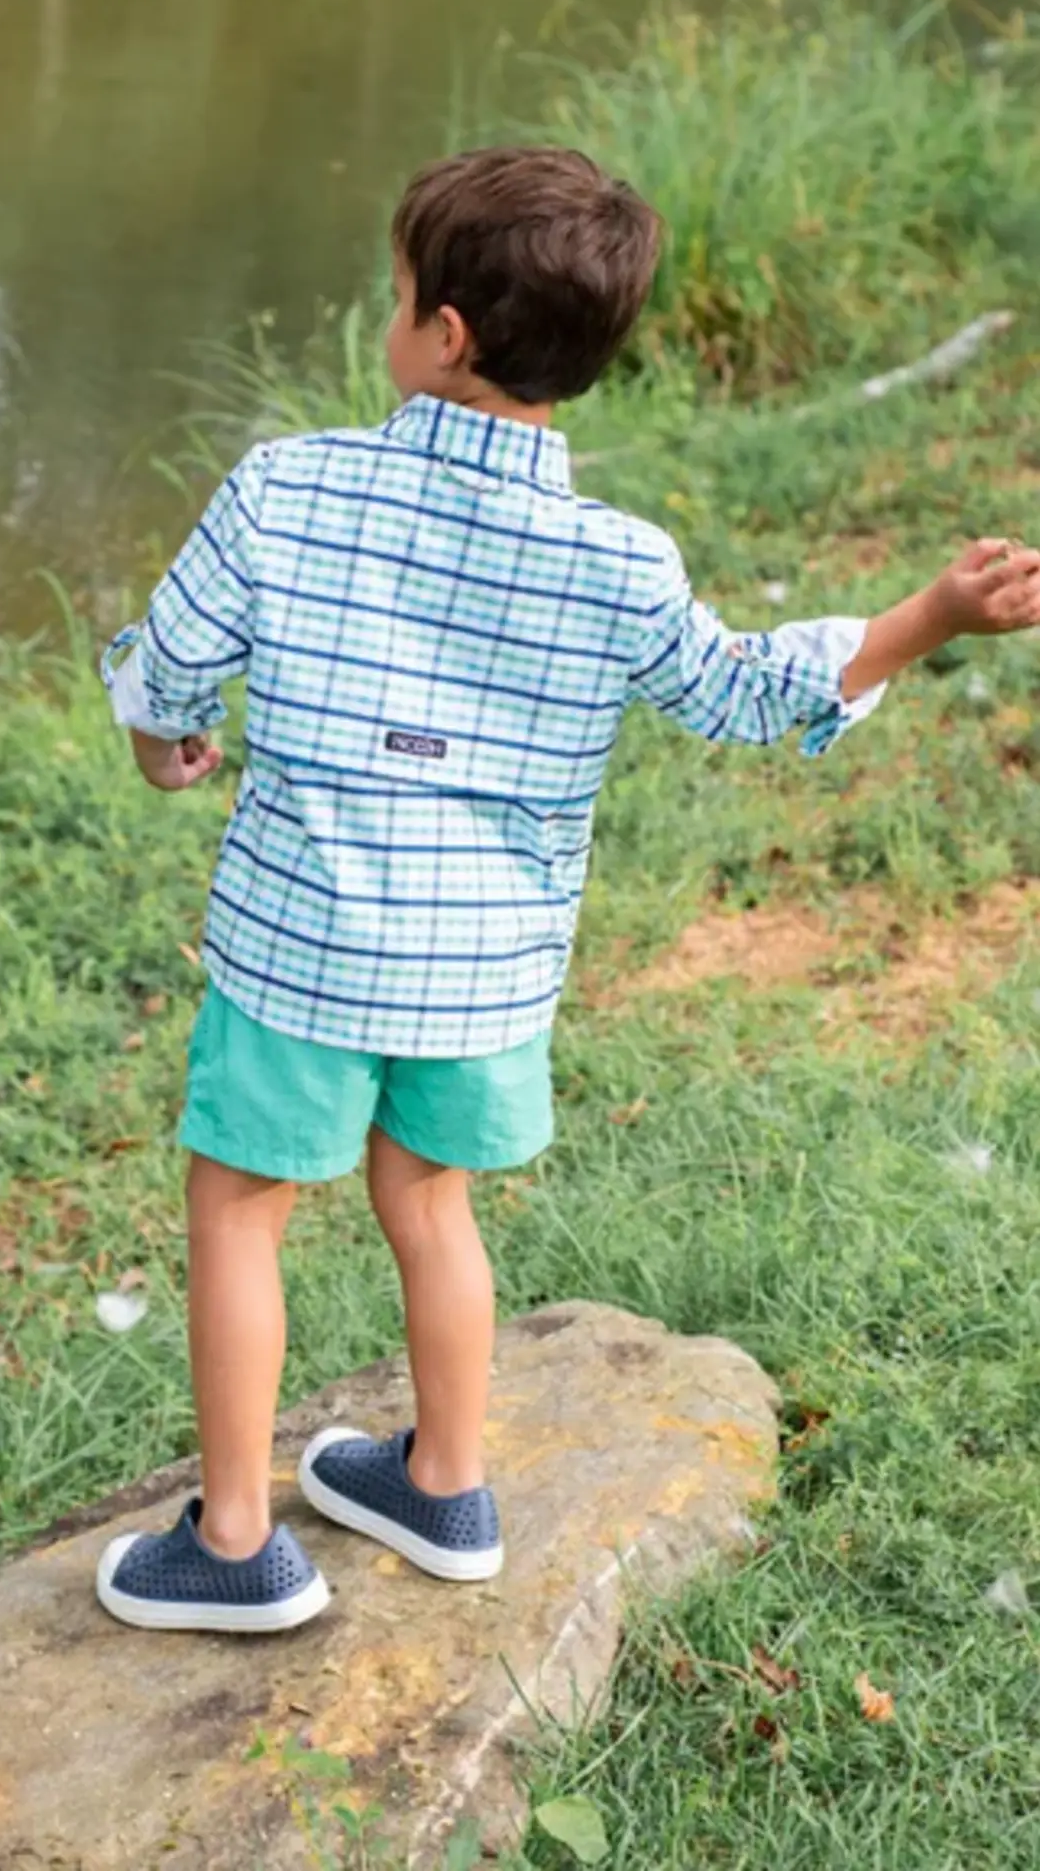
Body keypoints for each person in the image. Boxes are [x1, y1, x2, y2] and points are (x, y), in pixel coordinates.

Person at [94, 145, 1040, 1635]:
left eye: (396, 295)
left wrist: (165, 743)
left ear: (443, 335)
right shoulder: (617, 560)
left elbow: (171, 666)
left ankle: (232, 1545)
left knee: (240, 1210)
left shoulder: (289, 486)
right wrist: (927, 614)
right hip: (485, 973)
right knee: (431, 1200)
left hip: (301, 947)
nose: (390, 315)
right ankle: (445, 1487)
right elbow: (741, 690)